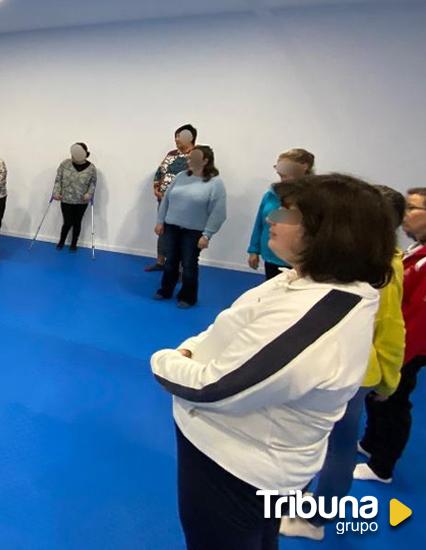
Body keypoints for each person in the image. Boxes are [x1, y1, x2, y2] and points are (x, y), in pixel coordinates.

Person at [151, 174, 395, 550]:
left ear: (327, 233)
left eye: (287, 214)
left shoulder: (315, 316)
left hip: (238, 467)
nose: (271, 219)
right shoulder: (299, 281)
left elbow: (213, 386)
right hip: (240, 453)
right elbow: (227, 329)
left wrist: (164, 359)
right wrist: (193, 349)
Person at [280, 184, 405, 541]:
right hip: (327, 365)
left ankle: (314, 520)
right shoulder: (353, 262)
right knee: (321, 438)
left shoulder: (384, 269)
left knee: (337, 444)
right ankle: (298, 502)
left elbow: (392, 329)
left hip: (352, 372)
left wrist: (389, 381)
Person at [356, 186, 426, 484]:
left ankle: (382, 466)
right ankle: (371, 443)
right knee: (376, 400)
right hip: (395, 342)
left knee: (394, 402)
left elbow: (416, 318)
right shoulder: (415, 250)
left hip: (408, 347)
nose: (404, 216)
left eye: (412, 209)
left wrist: (394, 362)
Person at [154, 145, 226, 308]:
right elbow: (166, 200)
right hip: (171, 226)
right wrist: (160, 221)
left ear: (205, 161)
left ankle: (187, 297)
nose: (189, 161)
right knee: (170, 261)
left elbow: (218, 213)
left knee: (189, 264)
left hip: (194, 232)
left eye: (193, 158)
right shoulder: (180, 176)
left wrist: (207, 235)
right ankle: (166, 290)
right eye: (188, 158)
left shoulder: (215, 184)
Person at [248, 149, 315, 279]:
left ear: (304, 167)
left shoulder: (313, 197)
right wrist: (253, 250)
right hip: (271, 257)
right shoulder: (271, 194)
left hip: (297, 261)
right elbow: (260, 223)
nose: (280, 172)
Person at [146, 124, 197, 272]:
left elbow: (198, 179)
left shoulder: (197, 155)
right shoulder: (171, 154)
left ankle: (181, 268)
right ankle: (161, 262)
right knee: (162, 230)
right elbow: (160, 171)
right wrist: (156, 187)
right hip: (163, 200)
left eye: (179, 136)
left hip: (183, 204)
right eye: (176, 136)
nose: (176, 139)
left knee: (181, 235)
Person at [52, 142, 97, 252]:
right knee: (67, 222)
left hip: (82, 201)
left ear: (85, 154)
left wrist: (89, 194)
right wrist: (56, 192)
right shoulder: (64, 164)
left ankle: (74, 243)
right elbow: (58, 180)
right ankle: (61, 241)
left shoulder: (91, 168)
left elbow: (93, 183)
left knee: (77, 222)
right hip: (66, 199)